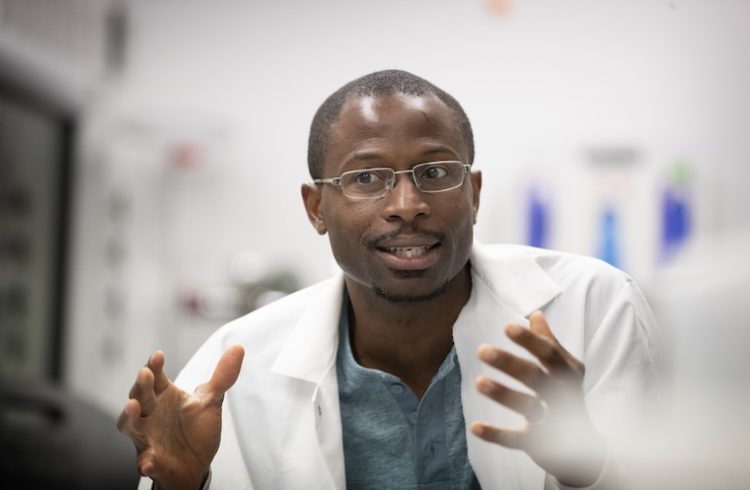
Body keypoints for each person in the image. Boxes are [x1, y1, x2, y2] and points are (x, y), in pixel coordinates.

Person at [118, 70, 658, 490]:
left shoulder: (592, 307)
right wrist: (187, 487)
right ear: (316, 208)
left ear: (473, 193)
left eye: (436, 172)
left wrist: (588, 468)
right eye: (367, 177)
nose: (407, 205)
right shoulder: (237, 368)